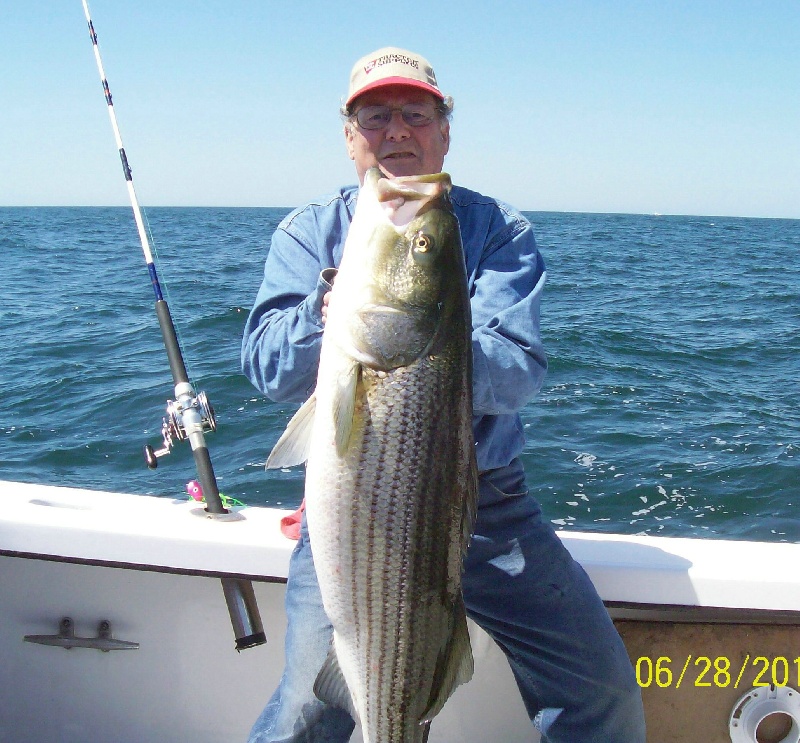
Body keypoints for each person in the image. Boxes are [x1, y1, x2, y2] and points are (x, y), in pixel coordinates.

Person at [242, 47, 645, 743]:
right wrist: (329, 314)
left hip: (489, 503)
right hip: (356, 513)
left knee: (603, 689)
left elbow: (515, 370)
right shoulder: (307, 233)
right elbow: (269, 369)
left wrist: (427, 339)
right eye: (375, 116)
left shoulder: (497, 230)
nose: (396, 129)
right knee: (307, 711)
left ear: (444, 131)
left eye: (415, 113)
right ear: (348, 137)